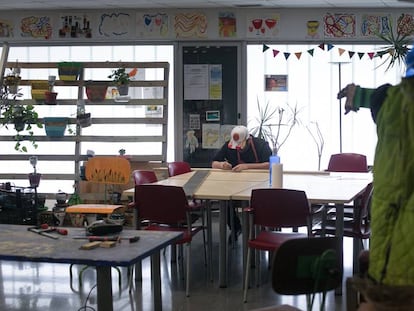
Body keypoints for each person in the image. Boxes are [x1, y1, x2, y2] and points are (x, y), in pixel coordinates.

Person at [338, 48, 414, 310]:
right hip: (392, 268)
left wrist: (357, 94)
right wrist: (358, 94)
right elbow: (383, 98)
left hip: (397, 273)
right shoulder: (395, 102)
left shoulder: (396, 104)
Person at [211, 125, 272, 242]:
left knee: (260, 202)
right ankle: (236, 228)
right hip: (237, 185)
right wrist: (222, 165)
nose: (238, 148)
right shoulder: (229, 145)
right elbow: (214, 162)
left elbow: (270, 164)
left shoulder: (260, 145)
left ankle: (261, 228)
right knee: (225, 202)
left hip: (260, 186)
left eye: (241, 145)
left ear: (248, 140)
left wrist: (247, 166)